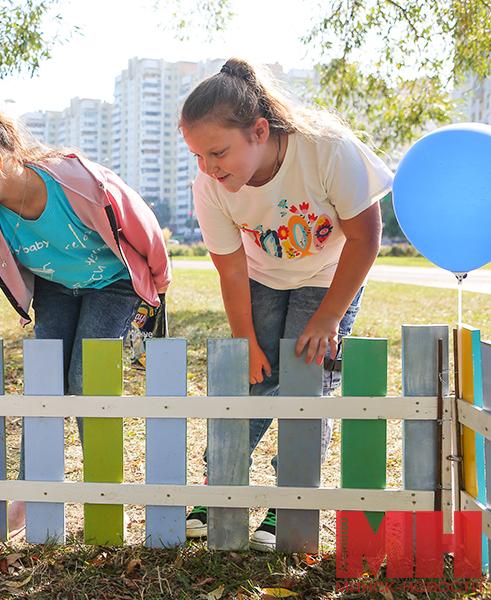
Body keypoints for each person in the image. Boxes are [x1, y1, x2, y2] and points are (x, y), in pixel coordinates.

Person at [0, 97, 171, 533]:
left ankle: (105, 489)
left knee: (86, 381)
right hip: (56, 288)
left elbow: (141, 223)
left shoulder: (76, 181)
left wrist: (157, 290)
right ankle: (31, 493)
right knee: (45, 383)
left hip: (115, 283)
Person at [178, 58, 393, 550]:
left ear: (258, 131)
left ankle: (289, 501)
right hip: (261, 276)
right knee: (251, 380)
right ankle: (219, 491)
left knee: (308, 383)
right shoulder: (209, 187)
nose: (209, 168)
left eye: (217, 152)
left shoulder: (327, 150)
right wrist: (246, 341)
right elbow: (230, 269)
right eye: (197, 156)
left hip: (329, 275)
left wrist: (329, 317)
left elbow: (365, 236)